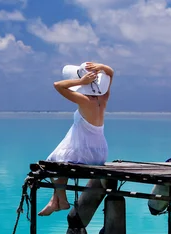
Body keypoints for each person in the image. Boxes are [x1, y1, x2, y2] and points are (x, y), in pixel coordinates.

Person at [38, 61, 114, 217]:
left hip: (83, 151)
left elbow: (58, 85)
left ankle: (62, 200)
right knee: (61, 155)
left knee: (54, 162)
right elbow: (111, 73)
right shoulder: (104, 98)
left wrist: (81, 81)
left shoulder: (84, 100)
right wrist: (101, 67)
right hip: (99, 153)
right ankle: (54, 201)